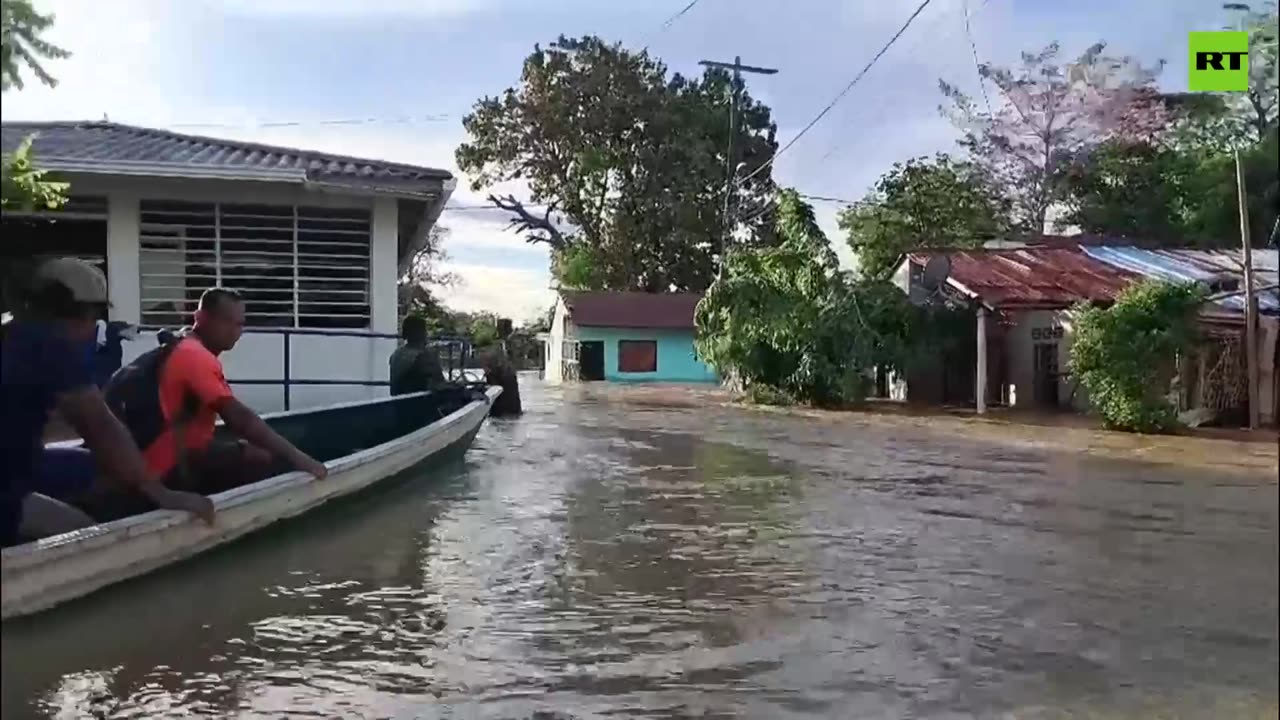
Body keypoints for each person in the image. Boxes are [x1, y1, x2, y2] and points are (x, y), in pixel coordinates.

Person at [1, 259, 213, 547]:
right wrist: (160, 493)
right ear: (82, 313)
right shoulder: (48, 346)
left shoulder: (12, 331)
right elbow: (99, 425)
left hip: (18, 467)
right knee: (84, 534)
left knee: (94, 468)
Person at [99, 288, 327, 517]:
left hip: (150, 461)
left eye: (240, 324)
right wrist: (301, 459)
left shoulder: (178, 345)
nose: (235, 332)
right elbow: (240, 419)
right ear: (200, 318)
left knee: (246, 448)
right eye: (227, 322)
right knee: (264, 457)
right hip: (167, 469)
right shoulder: (195, 356)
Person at [389, 315, 446, 395]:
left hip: (397, 403)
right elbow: (439, 385)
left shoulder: (396, 354)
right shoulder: (423, 357)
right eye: (425, 330)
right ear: (422, 333)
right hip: (418, 404)